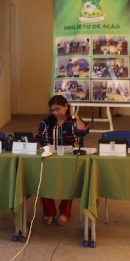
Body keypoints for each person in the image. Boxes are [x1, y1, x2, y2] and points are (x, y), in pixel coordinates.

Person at [34, 95, 89, 226]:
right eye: (52, 110)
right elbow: (39, 139)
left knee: (69, 184)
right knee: (44, 183)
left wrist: (75, 115)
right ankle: (49, 212)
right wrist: (42, 151)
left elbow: (83, 131)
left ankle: (64, 212)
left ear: (66, 106)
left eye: (58, 109)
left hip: (70, 160)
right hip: (49, 158)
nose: (55, 113)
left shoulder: (73, 121)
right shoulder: (46, 122)